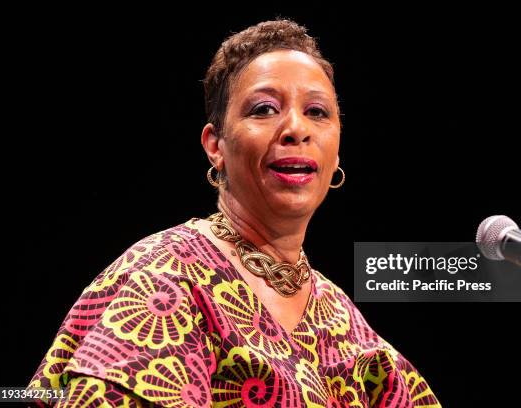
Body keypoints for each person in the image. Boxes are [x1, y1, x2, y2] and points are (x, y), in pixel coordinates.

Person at [29, 19, 441, 407]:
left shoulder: (345, 321)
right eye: (263, 109)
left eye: (317, 111)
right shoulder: (163, 277)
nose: (297, 129)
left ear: (336, 152)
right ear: (215, 145)